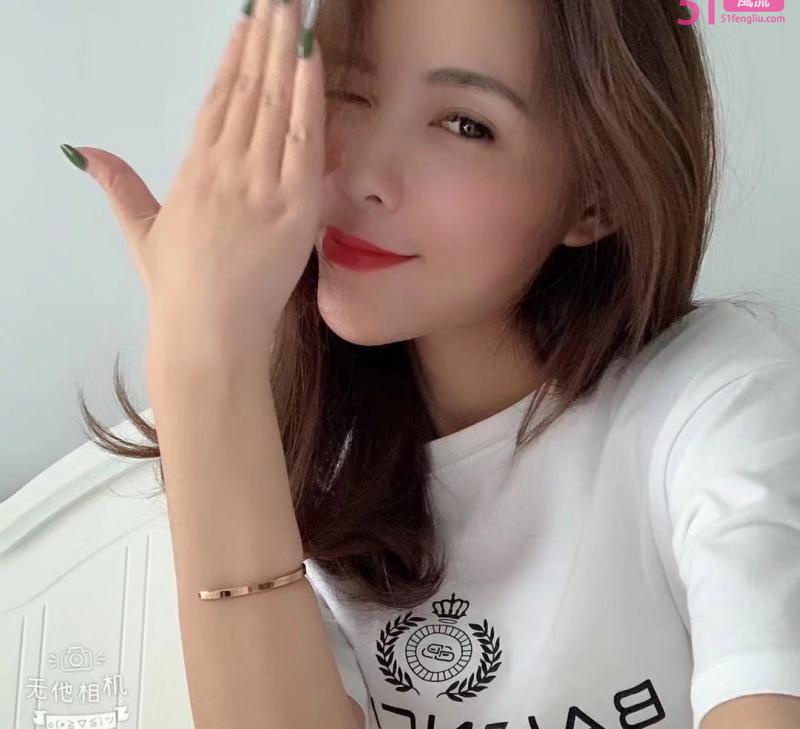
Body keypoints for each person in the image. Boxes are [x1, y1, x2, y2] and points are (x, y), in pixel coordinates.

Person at [66, 0, 800, 727]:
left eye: (464, 124)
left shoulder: (718, 406)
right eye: (348, 92)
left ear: (596, 198)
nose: (362, 174)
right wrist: (201, 357)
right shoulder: (292, 457)